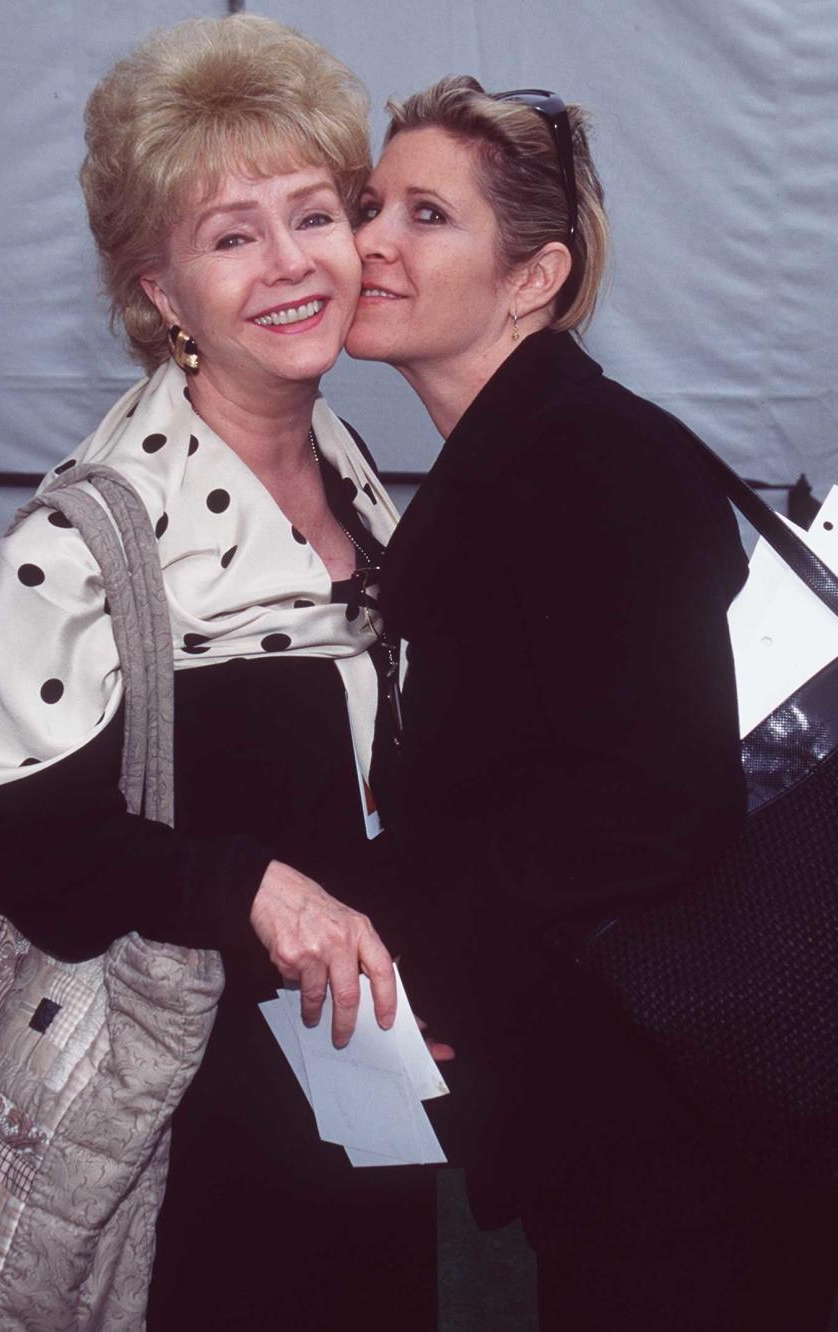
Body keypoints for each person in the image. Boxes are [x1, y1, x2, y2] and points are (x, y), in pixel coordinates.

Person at [0, 17, 437, 1330]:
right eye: (230, 235)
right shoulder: (89, 539)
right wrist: (244, 885)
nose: (289, 266)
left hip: (353, 1075)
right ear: (163, 294)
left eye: (311, 215)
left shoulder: (355, 476)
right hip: (183, 1128)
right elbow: (17, 841)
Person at [346, 76, 838, 1330]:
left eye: (426, 216)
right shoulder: (526, 451)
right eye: (369, 206)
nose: (371, 244)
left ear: (534, 277)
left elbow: (657, 805)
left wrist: (419, 935)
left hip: (676, 1108)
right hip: (638, 1093)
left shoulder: (583, 460)